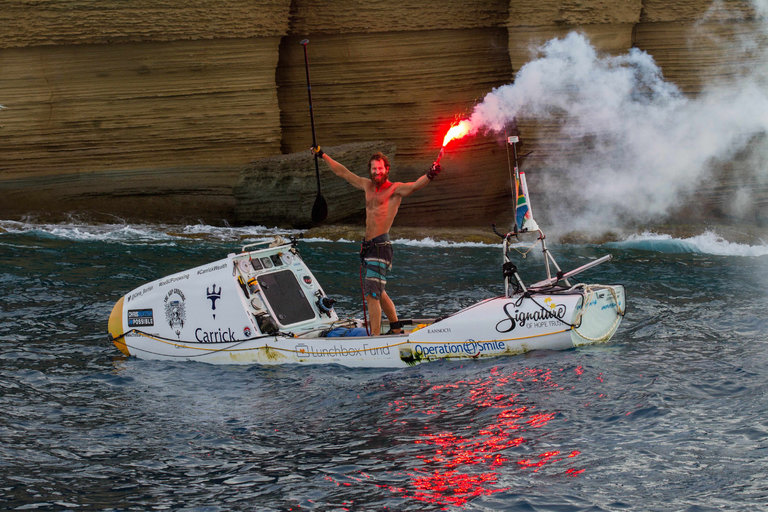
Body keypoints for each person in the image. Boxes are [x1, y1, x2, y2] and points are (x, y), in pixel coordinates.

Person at [311, 146, 441, 335]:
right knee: (379, 292)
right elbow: (344, 173)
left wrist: (430, 174)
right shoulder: (367, 185)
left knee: (372, 295)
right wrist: (322, 155)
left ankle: (375, 338)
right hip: (369, 247)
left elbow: (414, 185)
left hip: (381, 247)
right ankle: (395, 328)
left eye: (380, 168)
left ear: (386, 169)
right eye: (373, 168)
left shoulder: (395, 189)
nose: (376, 172)